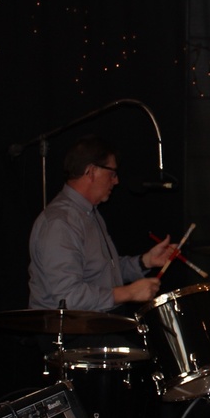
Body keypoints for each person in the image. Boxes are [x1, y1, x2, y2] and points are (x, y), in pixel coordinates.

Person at [28, 134, 176, 312]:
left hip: (91, 326)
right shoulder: (60, 223)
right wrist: (128, 293)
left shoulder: (89, 213)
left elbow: (102, 272)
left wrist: (145, 262)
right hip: (65, 334)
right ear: (91, 172)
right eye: (112, 173)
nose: (116, 180)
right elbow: (68, 297)